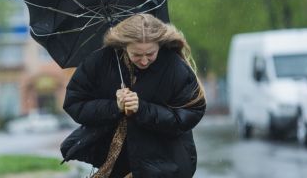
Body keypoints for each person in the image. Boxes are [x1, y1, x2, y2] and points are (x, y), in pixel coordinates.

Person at [61, 13, 206, 178]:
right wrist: (114, 107)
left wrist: (142, 109)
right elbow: (75, 104)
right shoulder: (100, 61)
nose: (144, 61)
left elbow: (189, 115)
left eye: (150, 54)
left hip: (165, 167)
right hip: (117, 166)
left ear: (160, 45)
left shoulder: (175, 67)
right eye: (136, 54)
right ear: (124, 46)